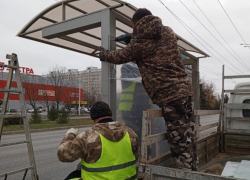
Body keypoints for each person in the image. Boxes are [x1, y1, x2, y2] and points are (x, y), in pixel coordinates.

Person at [99, 8, 197, 171]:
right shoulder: (168, 32)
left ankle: (187, 175)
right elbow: (154, 47)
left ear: (137, 23)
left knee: (179, 146)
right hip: (186, 93)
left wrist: (104, 54)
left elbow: (119, 56)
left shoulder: (140, 43)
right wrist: (133, 39)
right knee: (189, 138)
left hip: (170, 97)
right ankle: (195, 171)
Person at [57, 101, 139, 180]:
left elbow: (62, 155)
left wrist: (70, 134)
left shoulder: (88, 138)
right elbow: (135, 157)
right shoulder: (131, 134)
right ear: (110, 115)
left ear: (94, 119)